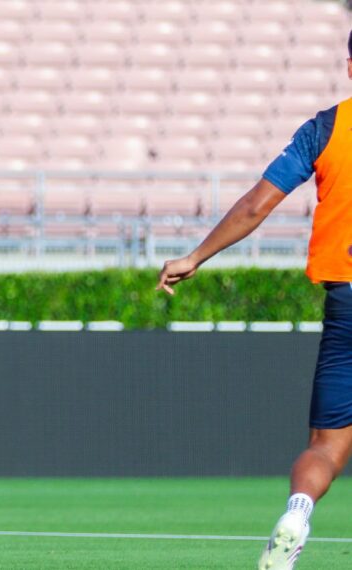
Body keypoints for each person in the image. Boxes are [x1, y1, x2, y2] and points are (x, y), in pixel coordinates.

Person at [157, 30, 352, 570]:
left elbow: (255, 205)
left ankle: (297, 511)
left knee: (327, 445)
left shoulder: (327, 127)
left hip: (347, 299)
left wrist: (196, 255)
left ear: (351, 65)